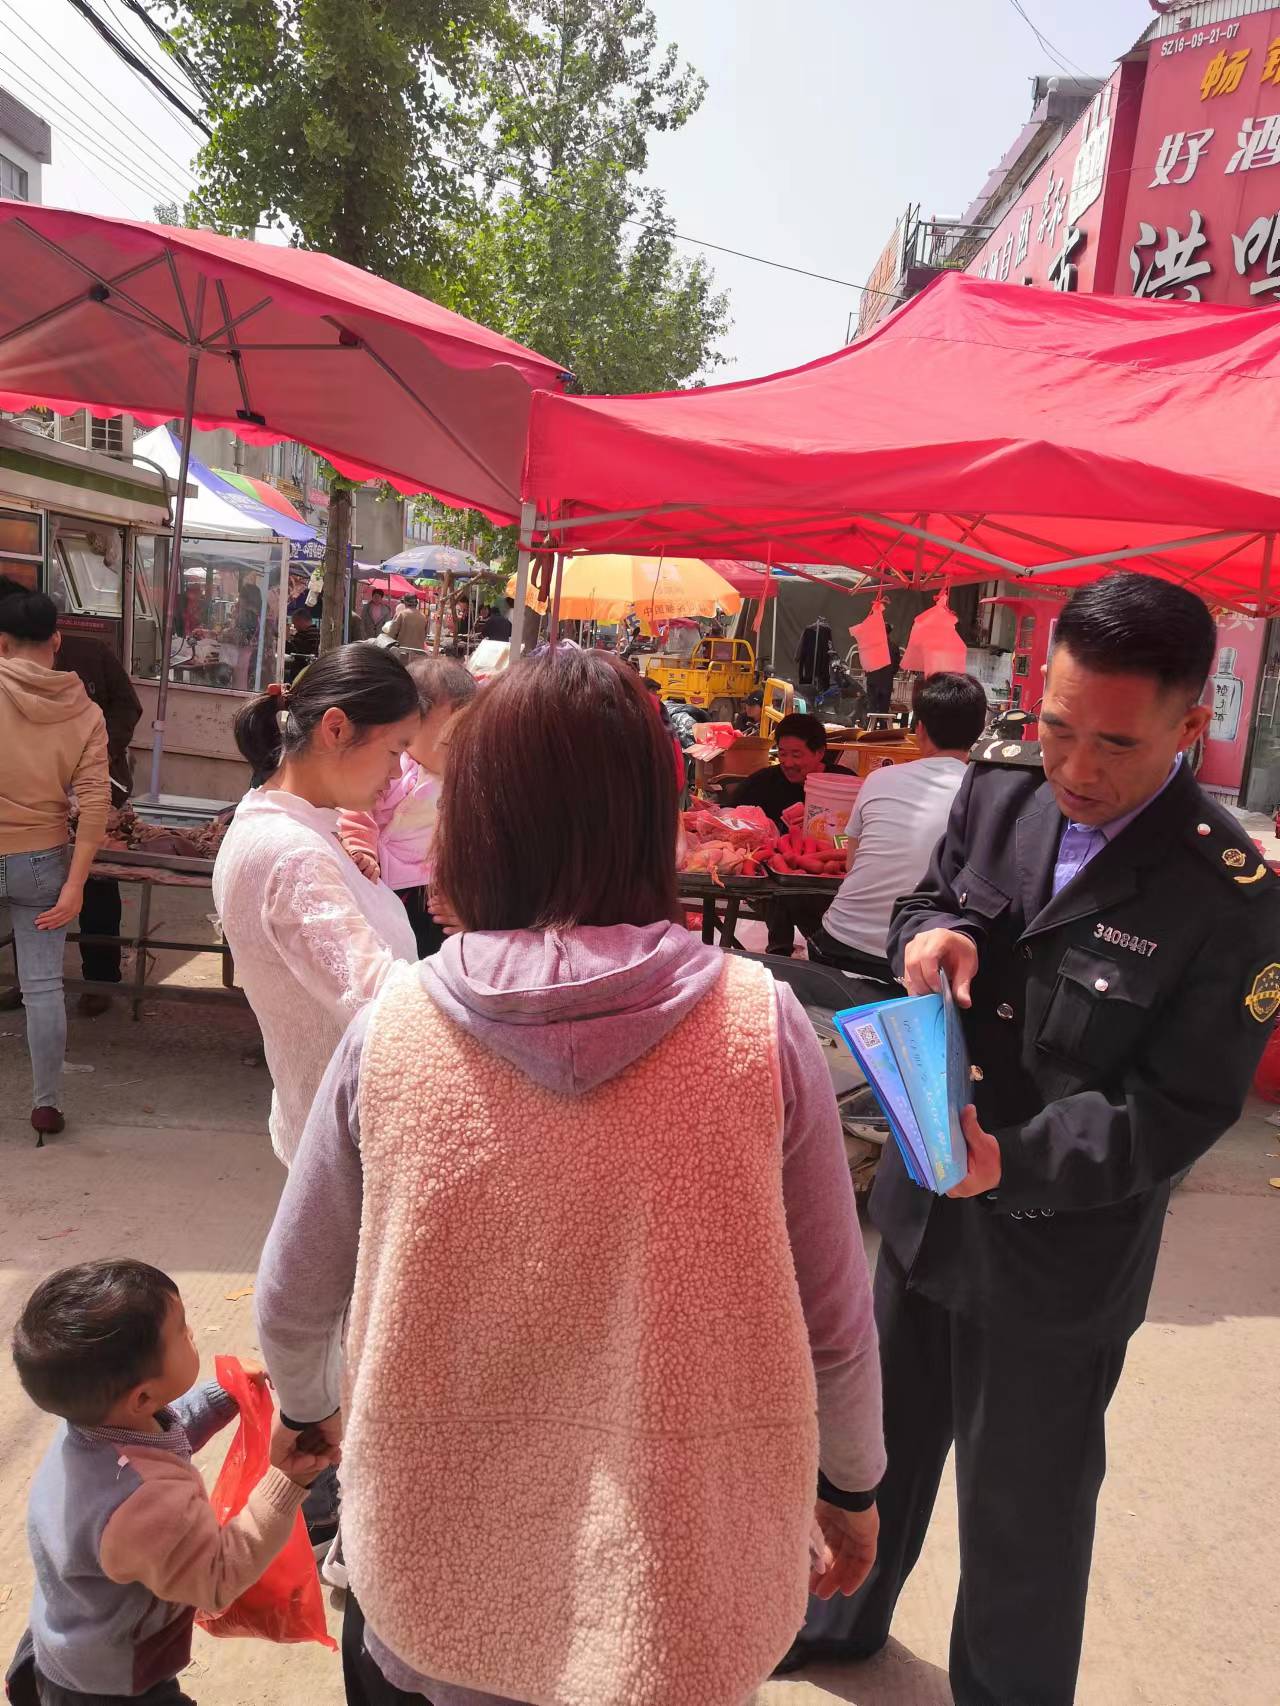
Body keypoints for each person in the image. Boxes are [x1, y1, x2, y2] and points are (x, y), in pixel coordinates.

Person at [255, 648, 886, 1706]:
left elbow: (291, 1294)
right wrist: (851, 1484)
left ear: (477, 817)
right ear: (647, 817)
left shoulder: (393, 1027)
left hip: (433, 1579)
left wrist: (308, 1408)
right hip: (673, 1599)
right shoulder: (759, 1025)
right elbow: (833, 1312)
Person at [787, 573, 1280, 1705]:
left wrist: (1014, 1162)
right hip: (924, 1199)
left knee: (1024, 1509)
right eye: (1057, 728)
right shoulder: (1002, 792)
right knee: (867, 1451)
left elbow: (1179, 1108)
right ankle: (836, 1619)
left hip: (1059, 1249)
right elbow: (923, 903)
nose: (1075, 766)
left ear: (1189, 728)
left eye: (1114, 743)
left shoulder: (1232, 895)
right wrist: (933, 938)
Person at [5, 1260, 334, 1706]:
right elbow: (218, 1577)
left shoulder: (90, 1429)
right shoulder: (142, 1504)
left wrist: (222, 1396)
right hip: (112, 1685)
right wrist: (287, 1481)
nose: (192, 1332)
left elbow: (162, 1435)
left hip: (68, 1636)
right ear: (143, 1396)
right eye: (181, 1331)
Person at [212, 644, 421, 1168]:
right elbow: (382, 1004)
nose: (397, 772)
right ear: (336, 729)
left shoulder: (282, 821)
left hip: (331, 1130)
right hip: (353, 1146)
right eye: (395, 750)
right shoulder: (293, 855)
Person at [0, 588, 109, 1141]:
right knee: (42, 988)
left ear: (2, 643)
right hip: (42, 861)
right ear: (57, 640)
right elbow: (95, 801)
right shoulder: (85, 712)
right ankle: (45, 1105)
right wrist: (76, 883)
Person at [809, 673, 988, 983]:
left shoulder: (878, 779)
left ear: (920, 729)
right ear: (979, 731)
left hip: (839, 942)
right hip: (920, 961)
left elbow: (852, 864)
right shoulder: (985, 794)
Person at [337, 655, 478, 958]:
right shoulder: (396, 768)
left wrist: (468, 893)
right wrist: (361, 848)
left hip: (435, 891)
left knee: (434, 952)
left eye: (466, 738)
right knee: (386, 949)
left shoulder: (466, 781)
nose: (459, 749)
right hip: (386, 883)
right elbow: (359, 810)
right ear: (410, 725)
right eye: (449, 741)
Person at [733, 713, 832, 956]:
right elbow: (731, 818)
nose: (787, 762)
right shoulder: (761, 783)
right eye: (783, 753)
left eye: (796, 755)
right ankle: (806, 950)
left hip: (826, 882)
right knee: (780, 892)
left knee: (798, 896)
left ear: (820, 752)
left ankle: (807, 950)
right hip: (768, 882)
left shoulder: (840, 783)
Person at [865, 623, 901, 715]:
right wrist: (889, 673)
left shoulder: (871, 646)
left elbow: (866, 662)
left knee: (872, 708)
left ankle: (870, 723)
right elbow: (896, 665)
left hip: (873, 681)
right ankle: (882, 724)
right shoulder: (894, 647)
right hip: (886, 682)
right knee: (883, 709)